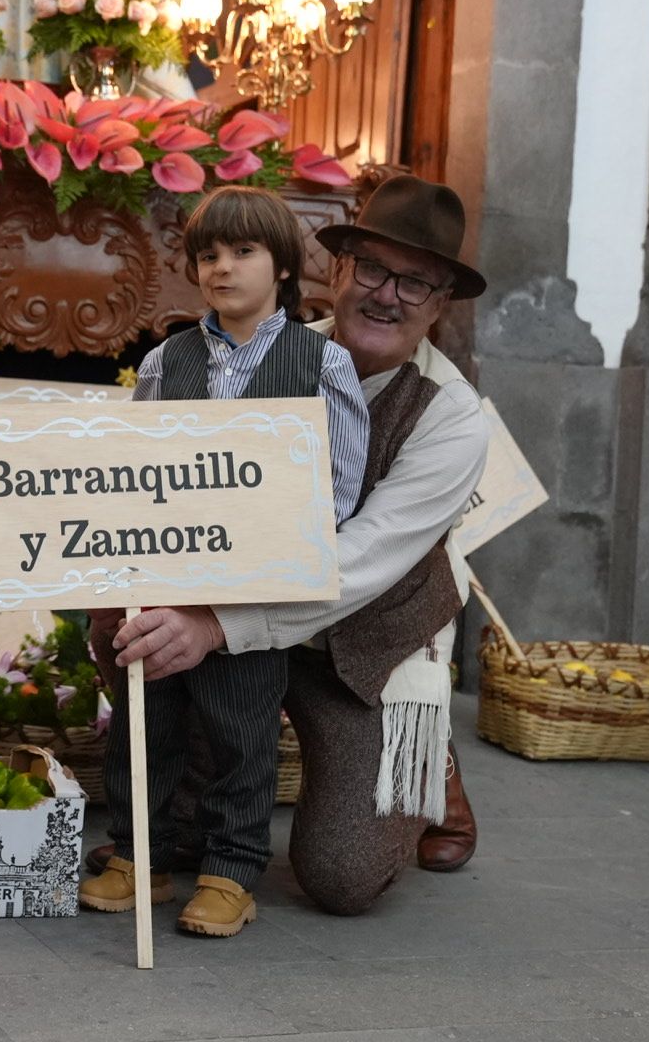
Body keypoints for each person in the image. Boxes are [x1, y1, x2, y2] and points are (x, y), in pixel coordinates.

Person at [105, 174, 490, 915]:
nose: (387, 295)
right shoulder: (252, 350)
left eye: (416, 284)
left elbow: (364, 561)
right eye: (372, 269)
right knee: (124, 627)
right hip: (247, 622)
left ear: (441, 305)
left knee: (342, 878)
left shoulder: (454, 420)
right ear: (335, 271)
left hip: (367, 650)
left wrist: (216, 625)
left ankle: (425, 753)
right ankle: (170, 819)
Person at [77, 186, 370, 938]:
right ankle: (143, 855)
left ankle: (233, 870)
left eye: (243, 252)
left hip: (252, 593)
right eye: (208, 254)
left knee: (242, 731)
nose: (221, 268)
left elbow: (336, 491)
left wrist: (268, 547)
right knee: (146, 721)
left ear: (281, 268)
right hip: (163, 577)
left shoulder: (321, 363)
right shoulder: (164, 360)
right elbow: (131, 467)